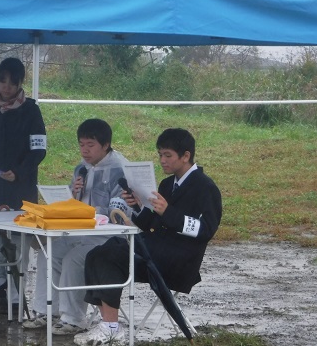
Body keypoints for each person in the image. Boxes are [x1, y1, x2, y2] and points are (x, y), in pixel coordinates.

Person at [75, 128, 222, 345]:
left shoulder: (205, 187)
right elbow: (154, 226)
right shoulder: (167, 184)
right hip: (155, 249)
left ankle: (111, 327)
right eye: (160, 155)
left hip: (179, 259)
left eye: (168, 155)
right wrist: (138, 206)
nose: (162, 160)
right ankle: (109, 324)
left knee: (113, 253)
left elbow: (205, 230)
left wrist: (168, 212)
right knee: (97, 253)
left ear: (186, 155)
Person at [23, 118, 131, 335]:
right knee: (49, 251)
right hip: (80, 230)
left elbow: (119, 215)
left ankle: (74, 319)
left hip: (108, 237)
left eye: (90, 145)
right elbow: (73, 206)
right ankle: (47, 312)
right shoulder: (81, 169)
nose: (85, 150)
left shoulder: (121, 170)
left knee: (74, 257)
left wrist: (93, 213)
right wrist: (74, 195)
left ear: (106, 144)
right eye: (81, 145)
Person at [0, 57, 47, 315]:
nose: (6, 87)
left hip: (20, 189)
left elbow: (39, 149)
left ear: (20, 83)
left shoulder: (31, 111)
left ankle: (18, 298)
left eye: (12, 83)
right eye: (2, 81)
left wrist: (19, 173)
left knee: (19, 244)